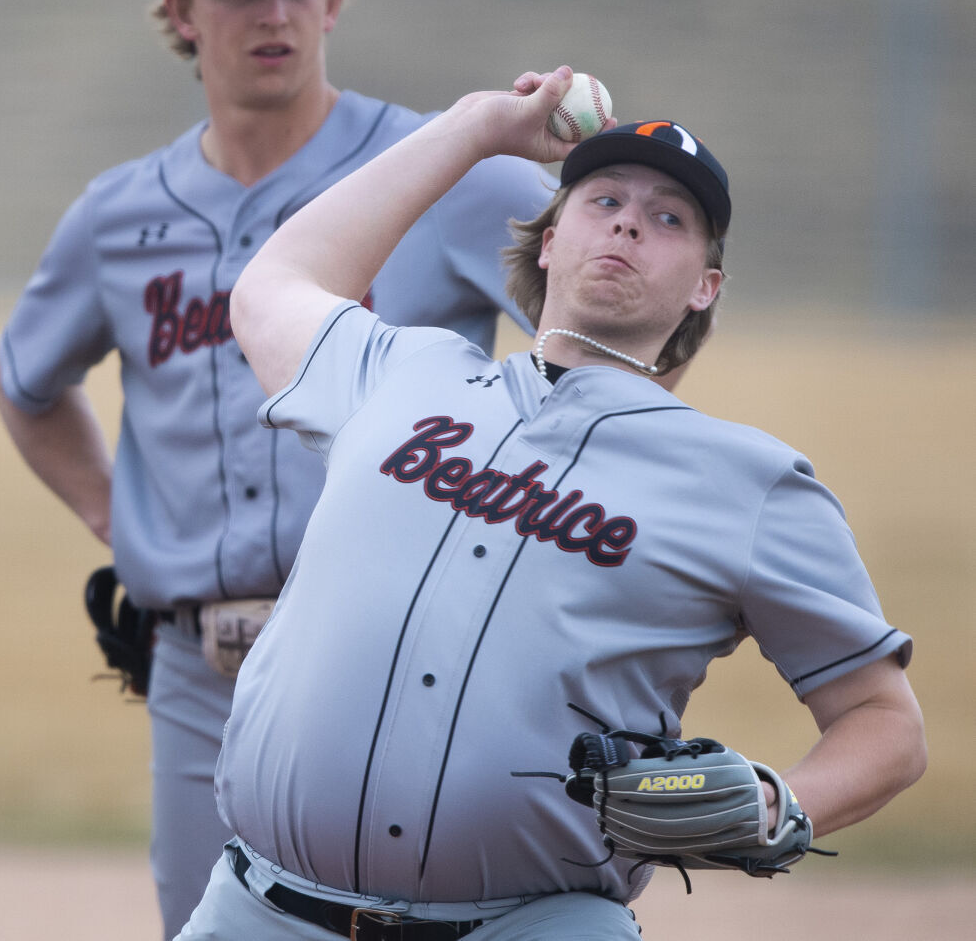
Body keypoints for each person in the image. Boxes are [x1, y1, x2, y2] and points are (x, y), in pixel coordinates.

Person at [176, 68, 927, 939]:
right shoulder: (402, 373)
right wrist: (472, 128)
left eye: (669, 218)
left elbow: (884, 724)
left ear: (703, 289)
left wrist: (774, 805)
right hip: (264, 912)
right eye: (601, 198)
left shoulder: (748, 481)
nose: (629, 221)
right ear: (545, 240)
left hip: (535, 923)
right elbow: (275, 282)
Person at [0, 0, 555, 937]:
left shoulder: (439, 171)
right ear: (178, 13)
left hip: (406, 650)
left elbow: (611, 340)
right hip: (199, 675)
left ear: (335, 2)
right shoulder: (117, 215)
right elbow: (26, 383)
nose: (274, 11)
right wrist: (119, 521)